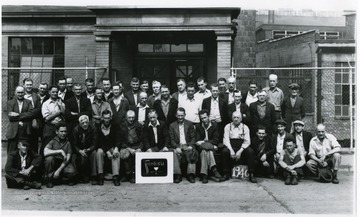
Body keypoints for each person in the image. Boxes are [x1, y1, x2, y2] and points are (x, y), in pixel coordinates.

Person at [223, 111, 257, 183]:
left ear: (241, 119)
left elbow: (247, 141)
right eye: (234, 117)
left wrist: (240, 151)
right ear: (232, 118)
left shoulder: (245, 127)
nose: (236, 119)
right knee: (225, 151)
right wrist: (231, 150)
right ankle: (226, 173)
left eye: (237, 117)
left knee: (251, 152)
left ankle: (251, 173)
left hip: (241, 146)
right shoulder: (227, 126)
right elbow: (226, 140)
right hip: (231, 145)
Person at [169, 107, 198, 183]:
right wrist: (176, 147)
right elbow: (171, 140)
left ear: (185, 115)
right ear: (176, 115)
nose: (180, 117)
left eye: (182, 115)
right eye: (178, 115)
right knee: (174, 153)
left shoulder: (189, 124)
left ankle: (190, 174)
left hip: (187, 144)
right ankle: (177, 175)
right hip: (178, 145)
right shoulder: (172, 125)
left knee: (192, 151)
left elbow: (193, 137)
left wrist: (191, 145)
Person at [44, 122, 77, 188]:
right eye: (61, 131)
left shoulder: (68, 141)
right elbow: (45, 152)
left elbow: (68, 157)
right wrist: (60, 151)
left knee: (71, 172)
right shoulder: (52, 140)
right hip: (54, 162)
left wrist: (59, 170)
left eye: (65, 131)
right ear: (57, 132)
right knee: (49, 159)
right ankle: (50, 179)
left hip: (63, 163)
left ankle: (59, 178)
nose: (63, 133)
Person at [194, 109, 223, 183]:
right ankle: (213, 168)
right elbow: (197, 141)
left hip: (208, 147)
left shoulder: (214, 125)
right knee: (206, 149)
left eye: (205, 117)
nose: (204, 120)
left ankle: (204, 174)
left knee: (205, 151)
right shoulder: (198, 126)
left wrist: (203, 141)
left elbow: (215, 140)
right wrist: (211, 145)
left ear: (208, 117)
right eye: (202, 118)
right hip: (203, 147)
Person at [96, 110, 121, 186]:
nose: (107, 120)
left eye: (108, 118)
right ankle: (100, 176)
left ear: (111, 117)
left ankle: (116, 176)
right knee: (99, 152)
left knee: (116, 153)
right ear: (102, 118)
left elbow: (118, 139)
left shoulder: (115, 126)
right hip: (103, 148)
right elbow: (99, 142)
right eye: (105, 118)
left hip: (112, 147)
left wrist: (116, 148)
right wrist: (106, 151)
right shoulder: (98, 126)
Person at [6, 86, 34, 154]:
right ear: (15, 93)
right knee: (11, 151)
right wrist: (25, 115)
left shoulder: (28, 102)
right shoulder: (10, 103)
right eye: (18, 92)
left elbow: (31, 114)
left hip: (25, 130)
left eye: (22, 92)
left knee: (25, 150)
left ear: (24, 93)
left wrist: (18, 115)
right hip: (13, 130)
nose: (20, 94)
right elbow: (11, 117)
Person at [119, 110, 144, 183]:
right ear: (126, 118)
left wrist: (140, 148)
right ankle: (127, 175)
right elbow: (121, 140)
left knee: (137, 154)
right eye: (129, 117)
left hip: (137, 145)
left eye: (132, 117)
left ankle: (134, 175)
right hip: (126, 146)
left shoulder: (139, 126)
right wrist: (129, 149)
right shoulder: (122, 126)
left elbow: (143, 139)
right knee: (125, 154)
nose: (131, 119)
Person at [41, 85, 66, 153]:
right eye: (53, 92)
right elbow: (47, 118)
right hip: (50, 127)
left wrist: (60, 106)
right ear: (49, 92)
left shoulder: (61, 102)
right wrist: (58, 113)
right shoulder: (46, 104)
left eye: (56, 92)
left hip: (60, 128)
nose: (55, 93)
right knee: (47, 145)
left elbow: (65, 114)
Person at [23, 78, 42, 153]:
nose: (29, 86)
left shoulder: (36, 96)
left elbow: (38, 109)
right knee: (24, 143)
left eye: (30, 85)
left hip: (33, 123)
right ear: (24, 85)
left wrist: (28, 114)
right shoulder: (21, 94)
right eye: (27, 85)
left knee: (34, 143)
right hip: (24, 122)